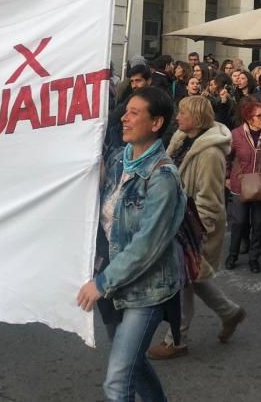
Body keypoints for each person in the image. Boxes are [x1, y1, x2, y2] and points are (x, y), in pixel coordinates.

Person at [77, 87, 185, 402]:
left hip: (145, 291)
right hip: (112, 286)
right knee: (133, 366)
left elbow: (147, 245)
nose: (124, 118)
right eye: (125, 111)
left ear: (156, 123)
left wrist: (102, 283)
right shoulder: (116, 158)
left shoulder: (163, 177)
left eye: (134, 113)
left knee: (117, 382)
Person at [148, 96, 245, 360]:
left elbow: (210, 200)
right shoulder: (182, 139)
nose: (177, 117)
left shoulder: (210, 153)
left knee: (184, 280)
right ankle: (230, 312)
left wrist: (195, 234)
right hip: (176, 222)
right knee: (194, 278)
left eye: (182, 112)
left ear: (197, 118)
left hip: (191, 228)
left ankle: (176, 339)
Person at [226, 101, 261, 272]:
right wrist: (227, 177)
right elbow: (227, 157)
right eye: (259, 116)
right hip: (239, 184)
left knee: (258, 224)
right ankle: (232, 255)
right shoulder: (236, 134)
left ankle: (254, 258)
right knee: (239, 222)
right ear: (249, 118)